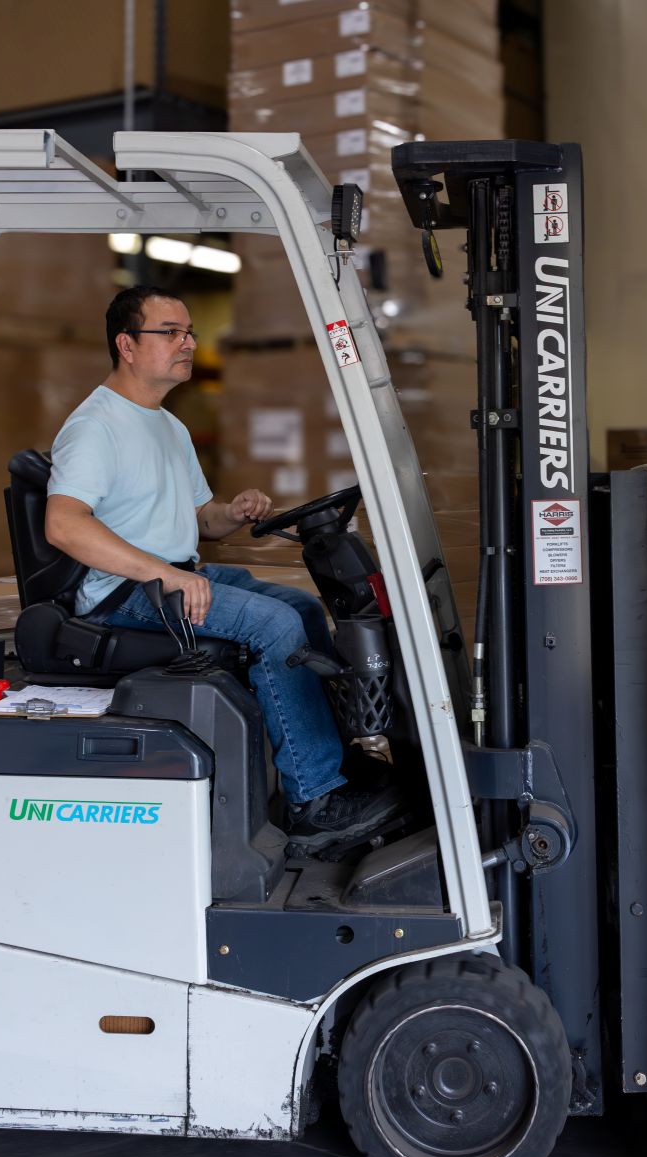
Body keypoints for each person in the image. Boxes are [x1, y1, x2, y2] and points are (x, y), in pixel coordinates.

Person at [44, 285, 404, 855]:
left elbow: (199, 520)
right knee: (274, 626)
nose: (188, 343)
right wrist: (164, 575)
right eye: (170, 333)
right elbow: (64, 524)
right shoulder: (96, 426)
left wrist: (232, 513)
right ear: (126, 345)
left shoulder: (167, 425)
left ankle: (331, 764)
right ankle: (315, 802)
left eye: (189, 332)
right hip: (126, 592)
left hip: (174, 575)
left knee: (303, 608)